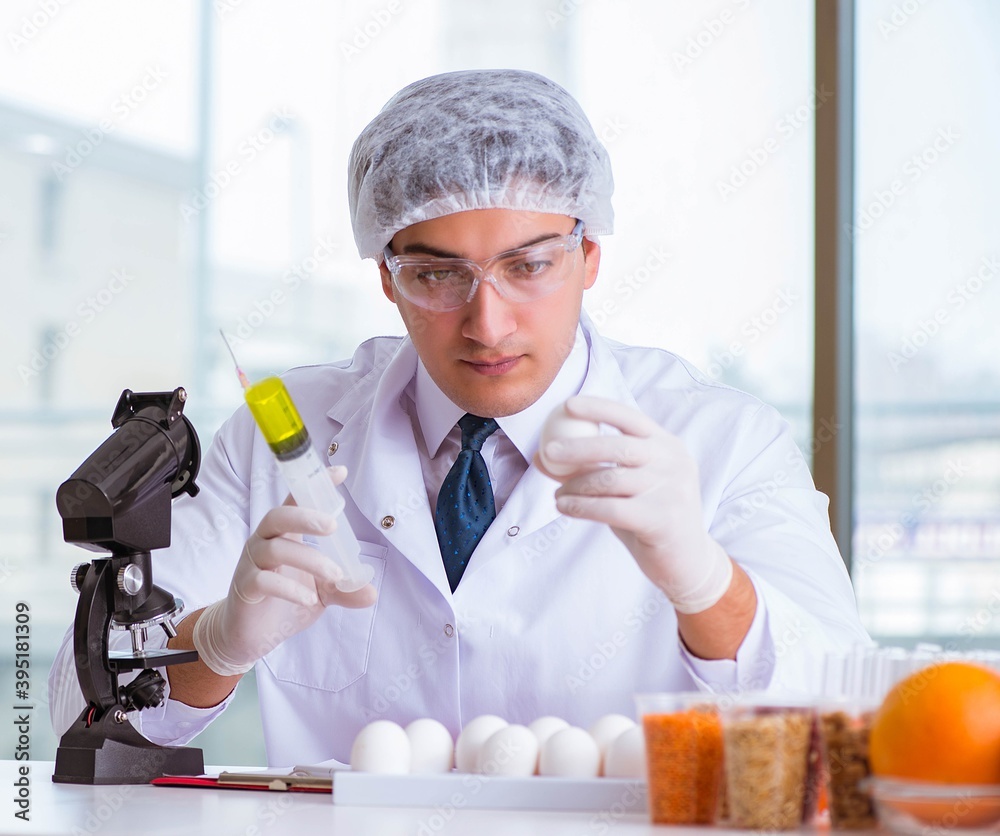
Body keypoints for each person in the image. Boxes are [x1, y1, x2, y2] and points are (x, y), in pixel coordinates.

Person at [49, 69, 870, 766]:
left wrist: (707, 586)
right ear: (386, 275)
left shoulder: (725, 441)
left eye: (529, 265)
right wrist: (215, 644)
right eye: (438, 275)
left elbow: (846, 728)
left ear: (589, 257)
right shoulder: (274, 437)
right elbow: (76, 722)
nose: (488, 323)